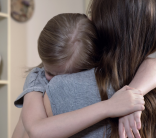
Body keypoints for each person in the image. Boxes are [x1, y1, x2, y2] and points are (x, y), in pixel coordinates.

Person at [12, 13, 147, 138]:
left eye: (60, 76)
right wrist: (109, 106)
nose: (49, 78)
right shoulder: (37, 78)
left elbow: (152, 64)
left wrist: (134, 93)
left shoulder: (102, 72)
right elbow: (36, 130)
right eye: (49, 71)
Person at [43, 0, 156, 138]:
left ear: (102, 23)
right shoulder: (148, 84)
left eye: (92, 14)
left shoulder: (56, 87)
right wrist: (133, 95)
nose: (89, 19)